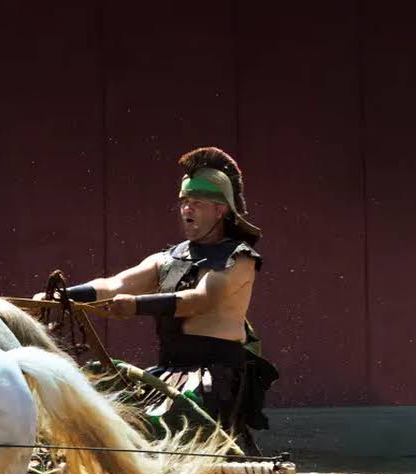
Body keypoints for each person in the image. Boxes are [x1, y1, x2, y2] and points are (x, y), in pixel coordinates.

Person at [42, 147, 277, 431]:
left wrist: (136, 306)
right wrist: (63, 296)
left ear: (221, 210)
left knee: (162, 422)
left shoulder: (239, 258)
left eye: (198, 203)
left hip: (213, 377)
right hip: (168, 372)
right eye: (184, 202)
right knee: (107, 407)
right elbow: (114, 284)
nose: (187, 209)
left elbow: (200, 300)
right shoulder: (166, 259)